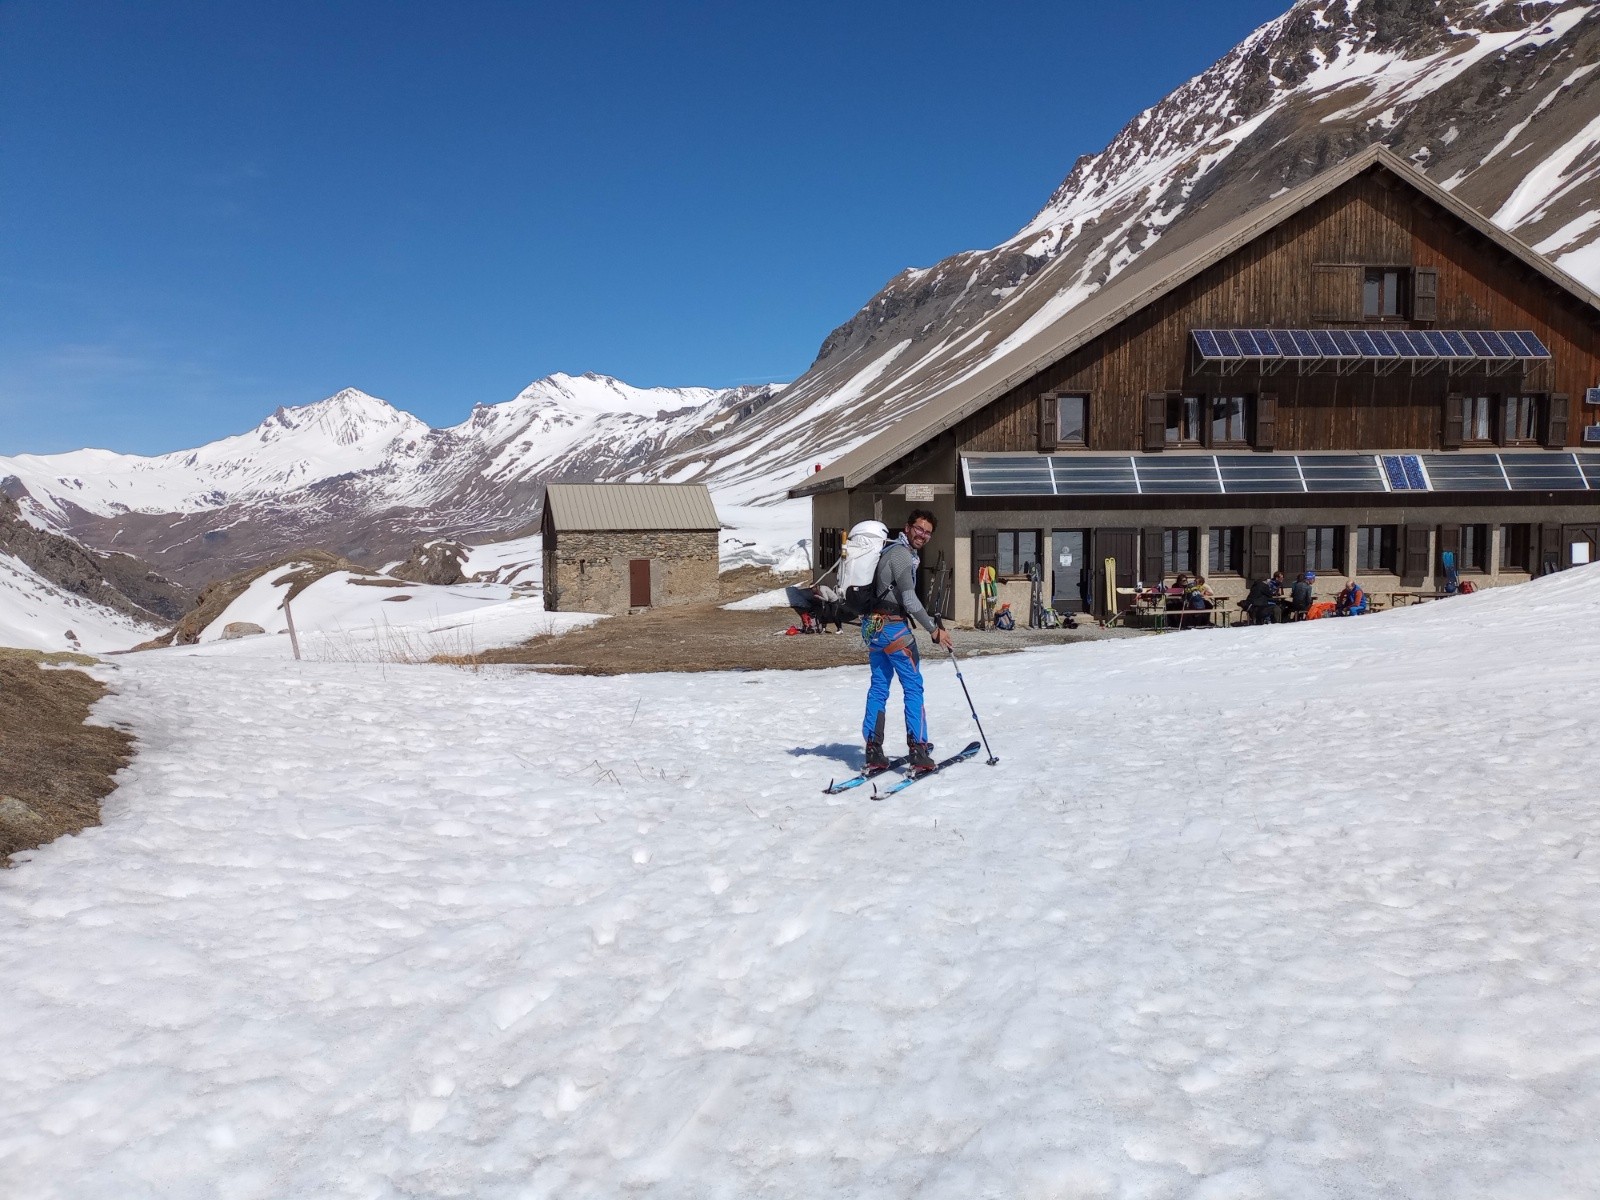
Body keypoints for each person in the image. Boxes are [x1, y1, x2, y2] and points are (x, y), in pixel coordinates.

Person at [862, 510, 953, 774]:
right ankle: (919, 750)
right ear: (907, 527)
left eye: (927, 532)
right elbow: (910, 601)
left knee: (879, 688)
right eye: (919, 529)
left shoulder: (890, 552)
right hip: (894, 631)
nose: (922, 535)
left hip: (874, 630)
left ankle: (873, 750)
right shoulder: (901, 555)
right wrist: (934, 630)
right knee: (913, 688)